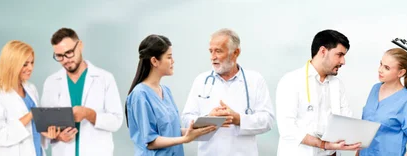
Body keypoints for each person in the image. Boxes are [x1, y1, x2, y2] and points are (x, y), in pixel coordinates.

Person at [180, 28, 275, 156]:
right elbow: (186, 119)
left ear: (236, 53)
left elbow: (268, 120)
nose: (212, 57)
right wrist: (209, 118)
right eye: (211, 51)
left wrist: (239, 119)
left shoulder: (255, 80)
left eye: (218, 51)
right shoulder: (201, 81)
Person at [126, 34, 217, 156]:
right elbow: (151, 141)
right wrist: (185, 139)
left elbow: (172, 132)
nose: (173, 61)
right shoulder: (140, 95)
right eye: (169, 57)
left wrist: (202, 129)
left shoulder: (166, 91)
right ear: (154, 61)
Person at [276, 29, 361, 156]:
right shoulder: (291, 81)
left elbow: (345, 119)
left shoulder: (337, 85)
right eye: (339, 55)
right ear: (323, 51)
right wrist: (323, 145)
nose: (343, 62)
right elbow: (287, 128)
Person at [40, 28, 124, 156]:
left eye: (69, 53)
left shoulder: (105, 78)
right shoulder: (51, 82)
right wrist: (58, 136)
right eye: (59, 56)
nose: (65, 60)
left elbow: (116, 121)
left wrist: (89, 114)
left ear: (80, 46)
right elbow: (45, 126)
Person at [0, 40, 60, 156]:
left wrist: (46, 133)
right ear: (11, 63)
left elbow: (33, 127)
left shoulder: (30, 88)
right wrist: (30, 115)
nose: (30, 68)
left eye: (32, 63)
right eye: (25, 64)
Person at [356, 48, 407, 156]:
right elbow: (365, 130)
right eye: (381, 64)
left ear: (401, 72)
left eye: (387, 68)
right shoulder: (375, 89)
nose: (380, 70)